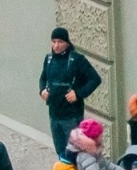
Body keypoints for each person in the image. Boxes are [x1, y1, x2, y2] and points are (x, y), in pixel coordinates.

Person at [38, 27, 102, 156]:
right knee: (61, 152)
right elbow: (43, 78)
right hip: (54, 114)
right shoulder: (49, 59)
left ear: (67, 42)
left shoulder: (77, 60)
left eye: (60, 42)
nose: (56, 45)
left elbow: (95, 79)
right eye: (54, 41)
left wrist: (78, 94)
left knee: (76, 152)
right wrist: (42, 90)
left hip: (72, 115)